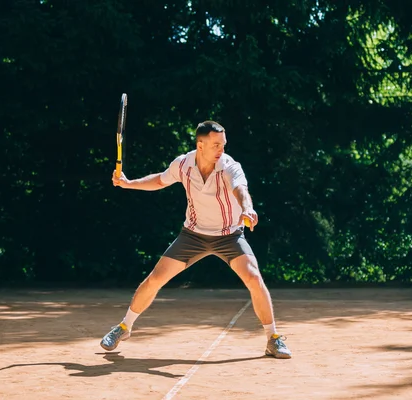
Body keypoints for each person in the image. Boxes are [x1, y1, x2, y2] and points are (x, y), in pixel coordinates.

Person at [100, 120, 292, 359]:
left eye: (223, 144)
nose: (221, 149)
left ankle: (273, 339)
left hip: (228, 235)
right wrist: (129, 184)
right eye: (215, 145)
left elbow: (241, 190)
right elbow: (160, 180)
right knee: (155, 279)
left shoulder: (229, 166)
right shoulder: (183, 164)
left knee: (254, 277)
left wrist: (247, 208)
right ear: (200, 145)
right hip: (192, 235)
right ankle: (124, 327)